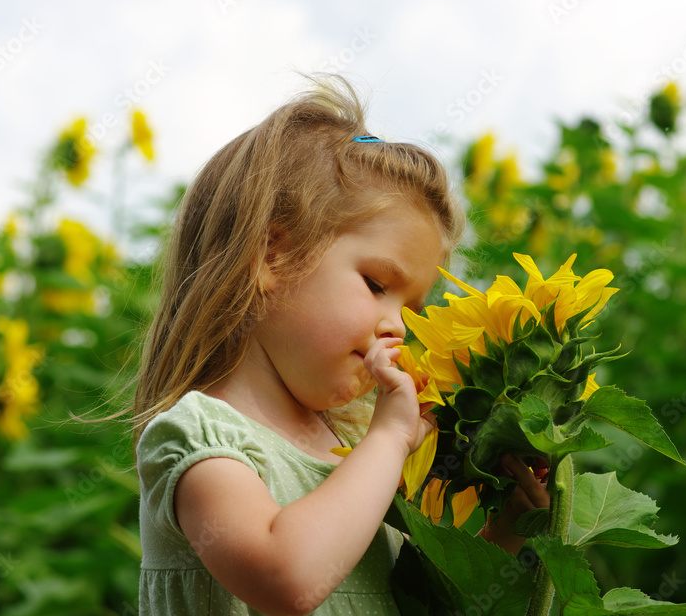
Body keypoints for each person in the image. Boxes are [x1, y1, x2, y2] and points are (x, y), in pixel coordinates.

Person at [131, 76, 549, 615]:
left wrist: (509, 530)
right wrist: (392, 438)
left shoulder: (353, 455)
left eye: (411, 311)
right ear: (272, 256)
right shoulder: (198, 440)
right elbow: (288, 579)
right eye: (377, 285)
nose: (397, 328)